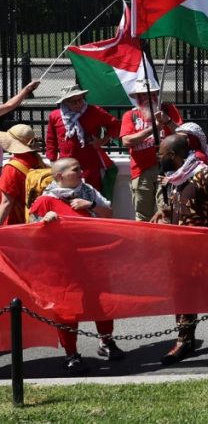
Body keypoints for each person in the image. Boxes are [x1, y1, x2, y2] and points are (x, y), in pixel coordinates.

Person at [28, 157, 124, 373]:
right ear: (60, 176)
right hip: (63, 267)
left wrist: (90, 205)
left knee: (102, 303)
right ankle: (71, 354)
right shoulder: (45, 201)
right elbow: (30, 233)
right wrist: (44, 222)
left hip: (94, 261)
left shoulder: (88, 191)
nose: (82, 172)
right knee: (68, 310)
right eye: (76, 169)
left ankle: (106, 342)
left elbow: (109, 214)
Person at [151, 134, 208, 365]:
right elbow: (182, 205)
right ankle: (184, 341)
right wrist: (165, 212)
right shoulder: (175, 177)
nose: (158, 158)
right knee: (184, 295)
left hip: (206, 249)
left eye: (160, 154)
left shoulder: (203, 174)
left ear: (172, 155)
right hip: (181, 250)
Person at [119, 80, 182, 222]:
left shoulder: (169, 110)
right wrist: (151, 129)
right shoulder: (130, 115)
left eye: (150, 95)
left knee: (166, 211)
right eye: (141, 96)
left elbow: (182, 134)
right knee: (142, 214)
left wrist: (167, 121)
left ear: (156, 95)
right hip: (141, 170)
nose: (147, 99)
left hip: (167, 169)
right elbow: (126, 141)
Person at [45, 85, 120, 198]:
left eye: (80, 99)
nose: (78, 104)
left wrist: (103, 140)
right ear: (65, 102)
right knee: (67, 196)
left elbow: (115, 125)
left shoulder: (94, 111)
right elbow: (51, 140)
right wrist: (52, 161)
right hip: (65, 165)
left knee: (91, 196)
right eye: (73, 101)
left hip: (89, 164)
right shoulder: (55, 116)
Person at [0, 125, 45, 226]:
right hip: (33, 219)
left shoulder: (12, 168)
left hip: (15, 223)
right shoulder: (38, 160)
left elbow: (6, 203)